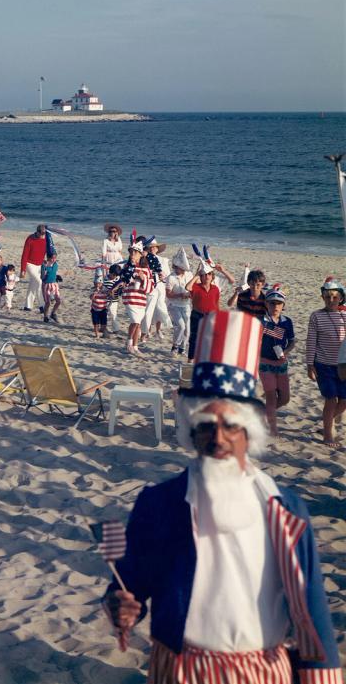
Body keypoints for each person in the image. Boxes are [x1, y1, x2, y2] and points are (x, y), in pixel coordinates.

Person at [102, 311, 340, 683]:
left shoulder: (285, 509)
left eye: (231, 426)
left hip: (262, 669)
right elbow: (129, 583)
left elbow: (312, 609)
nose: (219, 438)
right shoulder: (158, 503)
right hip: (179, 668)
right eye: (206, 426)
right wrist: (120, 606)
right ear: (190, 432)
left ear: (249, 433)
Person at [306, 278, 346, 447]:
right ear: (323, 298)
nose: (331, 300)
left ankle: (326, 423)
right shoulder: (316, 316)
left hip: (343, 366)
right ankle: (328, 434)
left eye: (335, 297)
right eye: (328, 297)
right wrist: (310, 364)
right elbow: (311, 341)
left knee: (344, 400)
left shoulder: (345, 315)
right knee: (330, 399)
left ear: (341, 298)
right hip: (324, 365)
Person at [257, 288, 294, 436]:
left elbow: (292, 342)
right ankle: (273, 429)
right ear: (266, 304)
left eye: (279, 303)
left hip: (281, 363)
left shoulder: (287, 321)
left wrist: (285, 352)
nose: (276, 306)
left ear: (283, 305)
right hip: (265, 363)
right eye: (272, 303)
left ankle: (263, 413)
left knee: (285, 398)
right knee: (271, 396)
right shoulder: (261, 321)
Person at [19, 224, 49, 312]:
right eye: (42, 234)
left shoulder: (46, 238)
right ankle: (42, 306)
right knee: (39, 282)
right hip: (30, 264)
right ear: (37, 232)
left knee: (33, 284)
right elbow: (24, 255)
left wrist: (46, 260)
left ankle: (28, 306)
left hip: (39, 265)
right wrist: (23, 270)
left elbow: (47, 250)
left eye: (44, 234)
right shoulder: (30, 239)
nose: (43, 236)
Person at [41, 249, 62, 323]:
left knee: (59, 301)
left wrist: (57, 276)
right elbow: (42, 276)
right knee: (48, 303)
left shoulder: (56, 264)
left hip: (54, 284)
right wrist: (44, 266)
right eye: (52, 258)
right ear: (48, 258)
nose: (54, 259)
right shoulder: (44, 265)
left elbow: (55, 272)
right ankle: (45, 316)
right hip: (46, 285)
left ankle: (53, 313)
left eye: (55, 258)